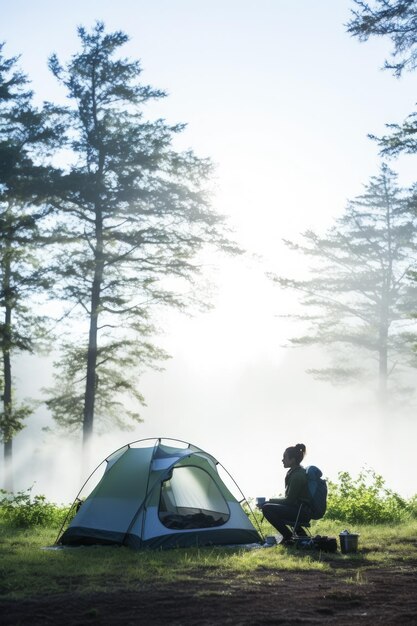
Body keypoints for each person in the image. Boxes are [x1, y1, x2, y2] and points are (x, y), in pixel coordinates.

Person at [260, 443, 311, 545]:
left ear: (292, 460)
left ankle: (288, 537)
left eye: (285, 457)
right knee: (267, 506)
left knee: (266, 508)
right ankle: (300, 533)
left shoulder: (297, 476)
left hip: (302, 512)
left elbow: (289, 501)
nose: (282, 460)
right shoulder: (294, 472)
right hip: (299, 509)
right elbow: (290, 500)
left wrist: (269, 501)